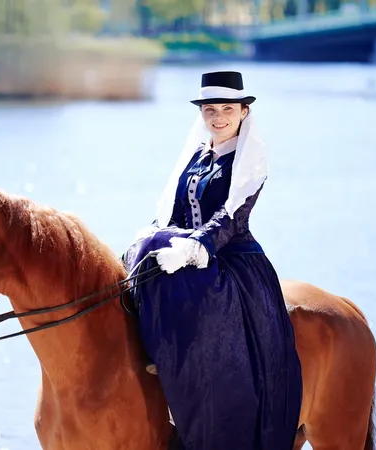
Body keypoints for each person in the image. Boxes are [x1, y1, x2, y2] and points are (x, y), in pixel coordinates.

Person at [123, 71, 303, 450]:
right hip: (186, 246)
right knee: (144, 259)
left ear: (242, 111)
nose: (218, 117)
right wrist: (155, 236)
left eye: (226, 109)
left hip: (230, 255)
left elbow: (231, 216)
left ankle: (185, 373)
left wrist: (193, 248)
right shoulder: (198, 154)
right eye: (210, 109)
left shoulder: (250, 157)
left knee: (189, 286)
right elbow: (172, 211)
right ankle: (148, 352)